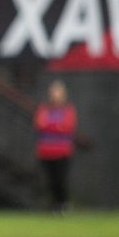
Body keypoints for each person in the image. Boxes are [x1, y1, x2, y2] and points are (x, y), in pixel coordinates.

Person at [34, 79, 76, 212]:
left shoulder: (68, 109)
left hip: (62, 151)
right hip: (46, 151)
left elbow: (68, 126)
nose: (55, 94)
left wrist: (51, 125)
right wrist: (57, 126)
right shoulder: (44, 108)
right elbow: (40, 124)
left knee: (60, 180)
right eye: (53, 92)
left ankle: (63, 204)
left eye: (58, 92)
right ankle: (53, 205)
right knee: (50, 181)